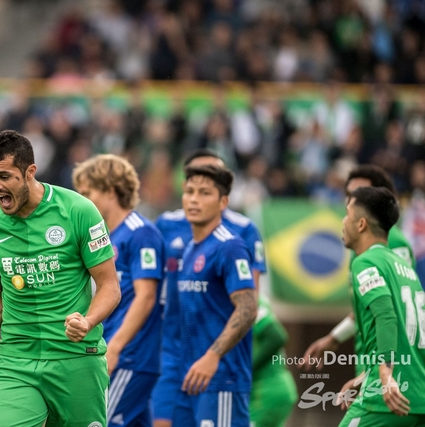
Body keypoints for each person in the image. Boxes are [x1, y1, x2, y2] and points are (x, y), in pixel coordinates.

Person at [0, 130, 121, 427]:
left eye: (4, 176)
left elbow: (109, 286)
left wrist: (88, 321)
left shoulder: (78, 211)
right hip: (15, 362)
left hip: (76, 358)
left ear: (30, 172)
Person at [152, 149, 266, 427]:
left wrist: (213, 356)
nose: (194, 199)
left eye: (205, 193)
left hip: (221, 379)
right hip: (188, 375)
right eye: (190, 192)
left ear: (223, 201)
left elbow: (249, 308)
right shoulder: (191, 248)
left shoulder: (230, 246)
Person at [72, 154, 165, 427]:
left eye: (87, 193)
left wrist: (115, 347)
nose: (82, 201)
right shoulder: (106, 237)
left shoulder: (141, 233)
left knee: (97, 422)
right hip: (117, 353)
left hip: (129, 356)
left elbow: (146, 296)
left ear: (111, 191)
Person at [301, 165, 418, 371]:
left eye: (359, 194)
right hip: (372, 359)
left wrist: (385, 368)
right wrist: (334, 338)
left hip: (388, 361)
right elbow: (374, 303)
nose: (350, 201)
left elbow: (393, 309)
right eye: (348, 194)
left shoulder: (391, 243)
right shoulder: (362, 249)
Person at [338, 186, 425, 426]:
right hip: (419, 398)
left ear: (361, 224)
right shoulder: (405, 268)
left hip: (386, 400)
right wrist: (364, 378)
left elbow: (386, 315)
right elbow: (407, 338)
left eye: (347, 213)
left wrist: (385, 375)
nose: (343, 221)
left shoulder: (365, 262)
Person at [250, 296, 297, 427]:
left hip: (265, 389)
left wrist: (247, 370)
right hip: (270, 388)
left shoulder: (249, 297)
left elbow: (276, 337)